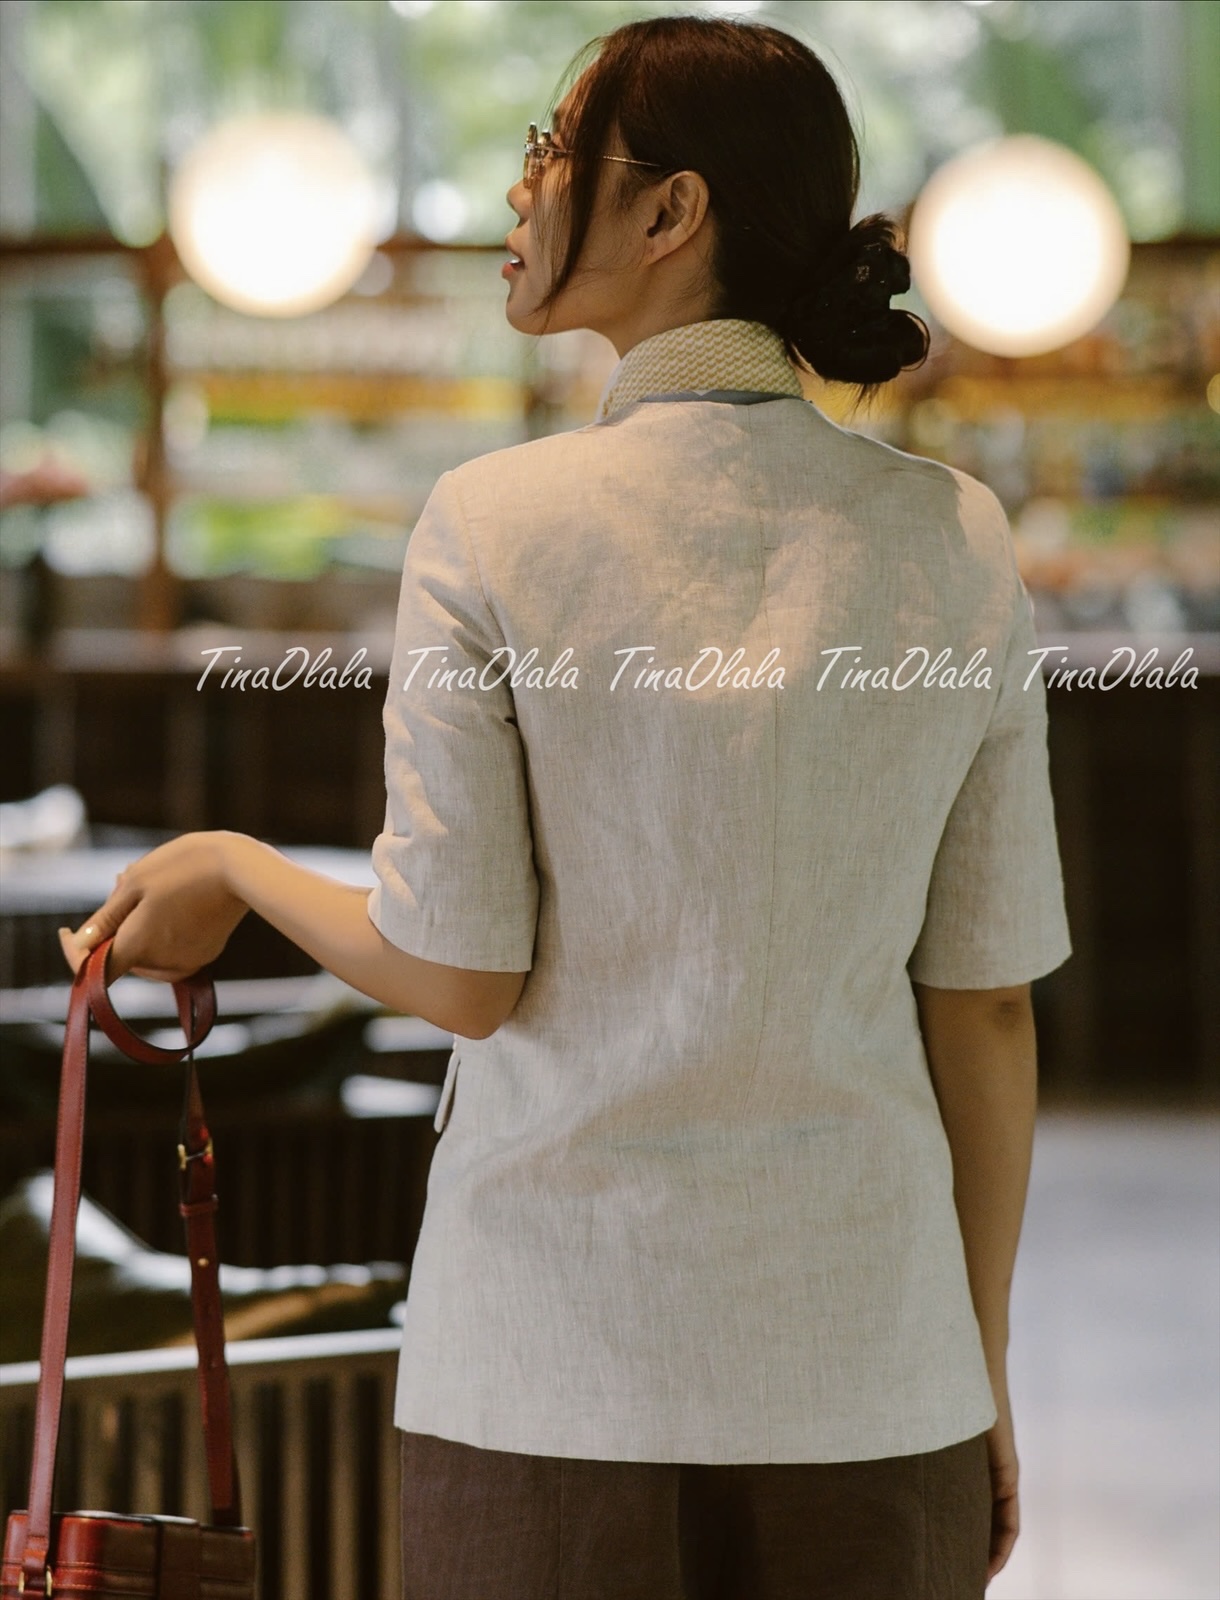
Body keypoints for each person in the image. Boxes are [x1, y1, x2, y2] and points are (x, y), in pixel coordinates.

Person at [61, 15, 1072, 1599]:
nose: (517, 189)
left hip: (550, 1367)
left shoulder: (494, 522)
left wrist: (232, 866)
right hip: (874, 1372)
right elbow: (988, 1004)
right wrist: (981, 1362)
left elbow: (461, 970)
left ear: (671, 211)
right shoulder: (953, 538)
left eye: (549, 149)